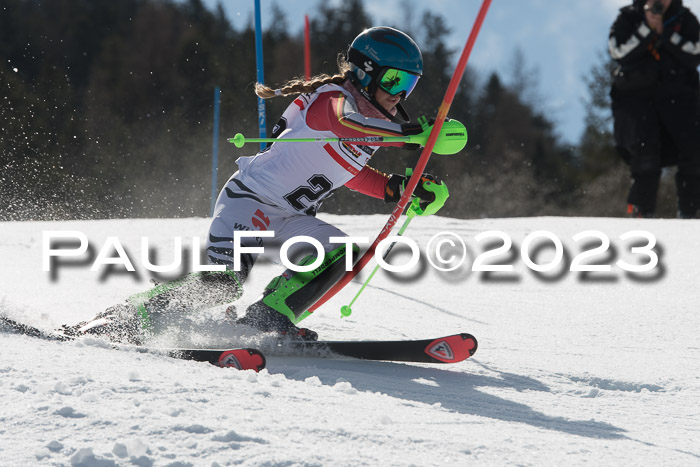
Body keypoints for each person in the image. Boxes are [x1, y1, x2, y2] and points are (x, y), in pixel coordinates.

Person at [63, 26, 455, 344]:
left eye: (411, 84)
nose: (400, 93)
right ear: (365, 71)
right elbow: (341, 123)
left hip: (290, 218)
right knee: (221, 283)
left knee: (342, 254)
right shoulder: (331, 99)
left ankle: (269, 319)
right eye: (394, 79)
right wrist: (411, 133)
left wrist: (400, 190)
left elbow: (352, 173)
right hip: (250, 203)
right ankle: (132, 317)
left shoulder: (372, 129)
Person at [609, 0, 700, 218]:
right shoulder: (629, 18)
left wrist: (666, 33)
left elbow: (695, 53)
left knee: (695, 154)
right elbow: (618, 51)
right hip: (637, 99)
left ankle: (692, 214)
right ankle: (641, 214)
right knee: (645, 155)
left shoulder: (684, 18)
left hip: (680, 98)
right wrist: (646, 30)